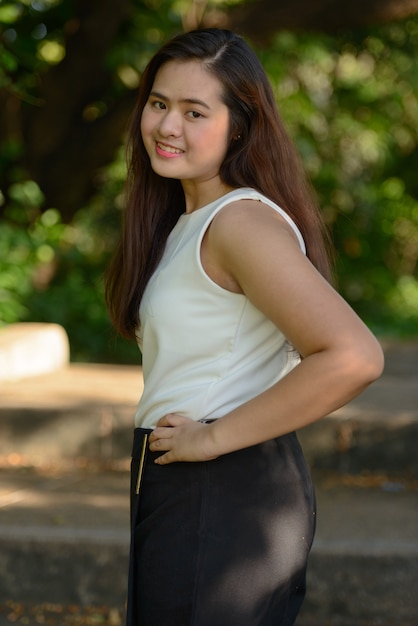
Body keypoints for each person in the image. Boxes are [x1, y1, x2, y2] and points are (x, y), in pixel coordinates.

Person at [105, 28, 384, 626]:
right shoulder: (190, 220)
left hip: (224, 488)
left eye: (194, 111)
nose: (167, 126)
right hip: (189, 488)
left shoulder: (240, 223)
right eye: (159, 103)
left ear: (239, 125)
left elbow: (353, 355)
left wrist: (211, 438)